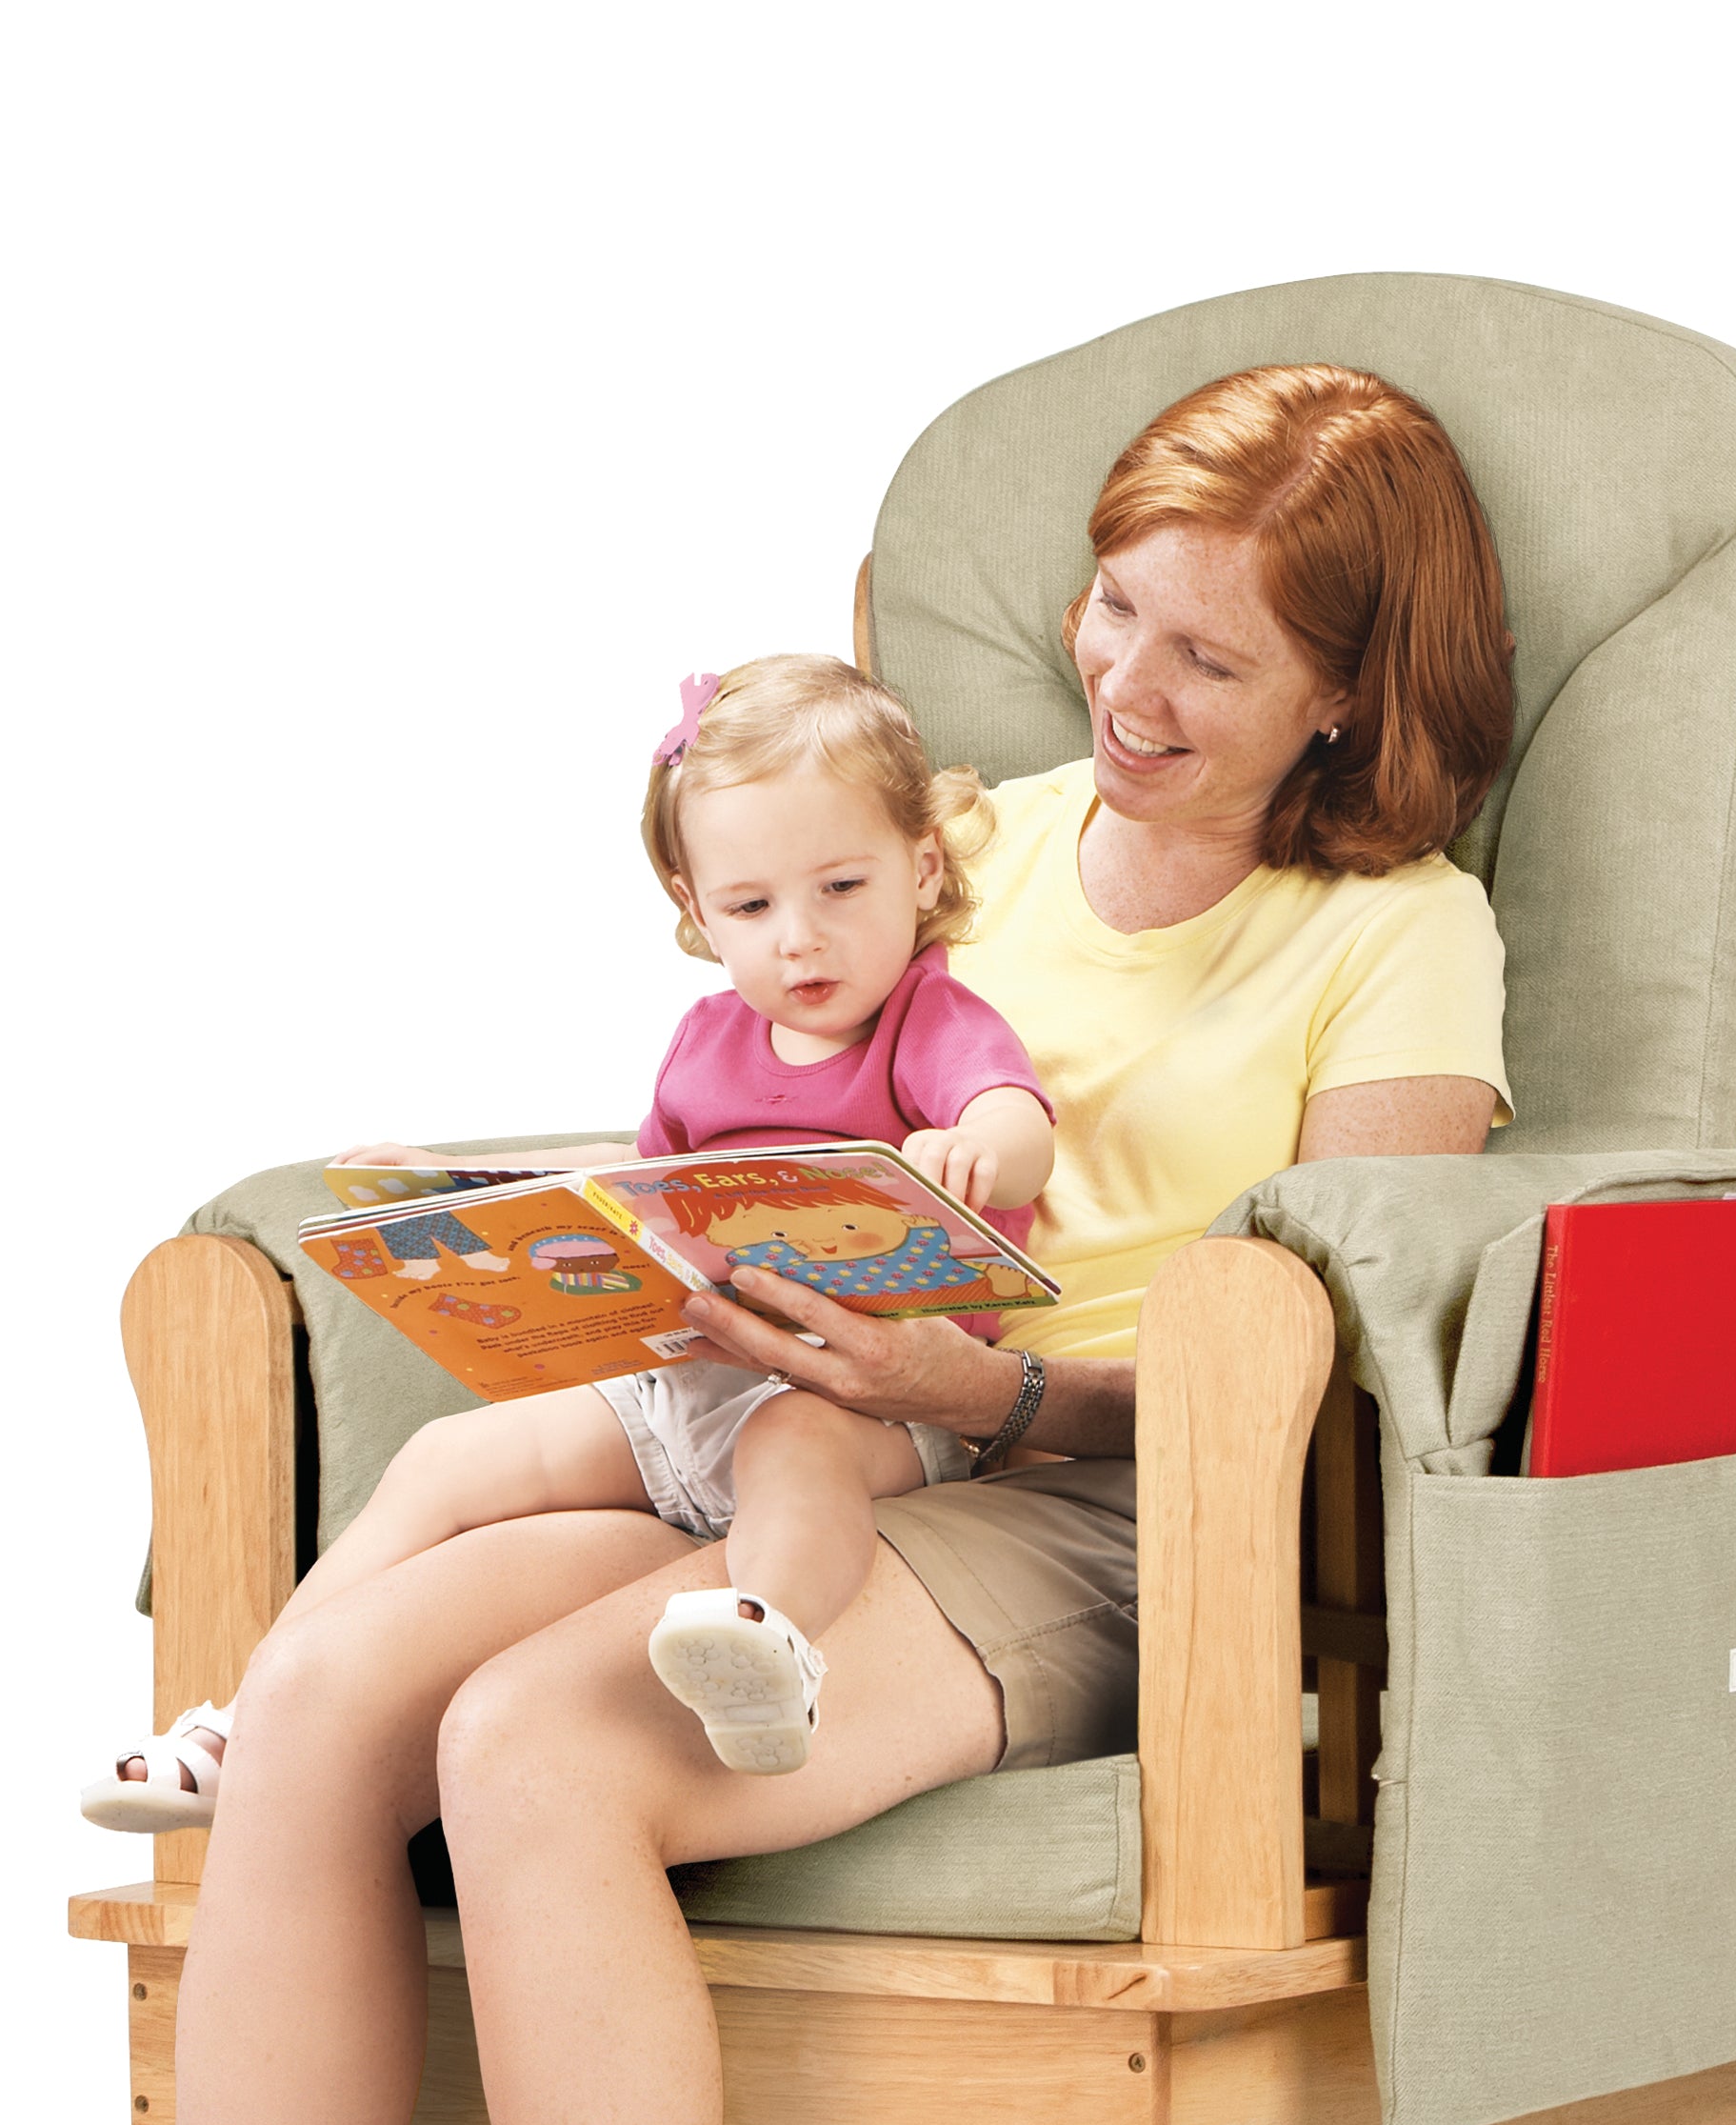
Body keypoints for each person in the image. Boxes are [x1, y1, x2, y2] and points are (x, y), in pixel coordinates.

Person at [0, 360, 1515, 2125]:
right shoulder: (960, 840)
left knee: (539, 1736)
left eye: (1213, 657)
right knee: (323, 1697)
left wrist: (990, 1395)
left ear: (1349, 695)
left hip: (1099, 1496)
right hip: (783, 1424)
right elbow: (769, 1068)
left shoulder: (1397, 933)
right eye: (1114, 612)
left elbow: (1364, 1351)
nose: (1129, 688)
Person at [81, 656, 1055, 1798]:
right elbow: (639, 1179)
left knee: (796, 1447)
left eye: (841, 887)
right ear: (697, 909)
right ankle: (242, 1724)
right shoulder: (707, 1038)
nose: (799, 938)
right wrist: (455, 1180)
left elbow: (1019, 1119)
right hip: (692, 1384)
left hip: (870, 1402)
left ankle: (767, 1643)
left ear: (921, 866)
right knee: (442, 1459)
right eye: (751, 907)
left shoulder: (929, 1018)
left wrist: (977, 1145)